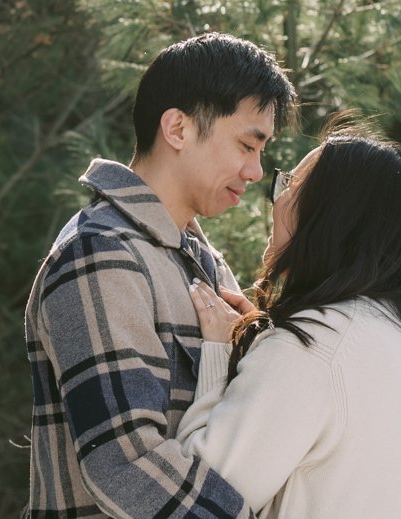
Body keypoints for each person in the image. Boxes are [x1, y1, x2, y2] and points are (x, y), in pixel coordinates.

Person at [24, 33, 297, 519]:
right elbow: (125, 466)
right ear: (177, 128)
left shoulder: (199, 257)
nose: (256, 171)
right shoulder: (100, 254)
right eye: (246, 145)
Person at [176, 128, 401, 517]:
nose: (277, 199)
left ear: (332, 215)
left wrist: (220, 352)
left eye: (291, 185)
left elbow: (199, 498)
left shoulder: (314, 343)